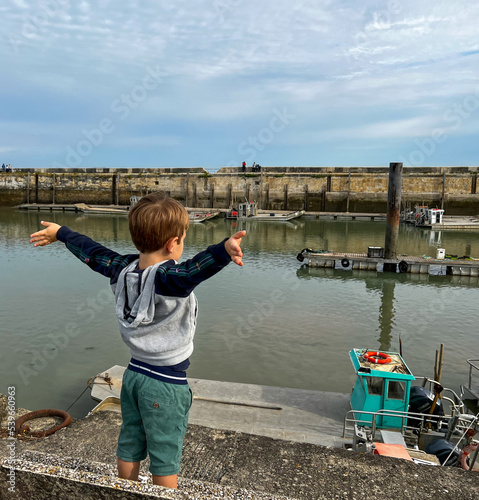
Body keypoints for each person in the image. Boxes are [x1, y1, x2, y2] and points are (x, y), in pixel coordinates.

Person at [29, 194, 246, 489]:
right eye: (182, 240)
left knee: (130, 441)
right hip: (165, 384)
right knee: (164, 455)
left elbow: (94, 253)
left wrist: (62, 234)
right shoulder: (168, 279)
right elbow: (193, 270)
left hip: (133, 377)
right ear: (172, 243)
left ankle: (127, 492)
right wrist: (222, 250)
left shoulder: (123, 270)